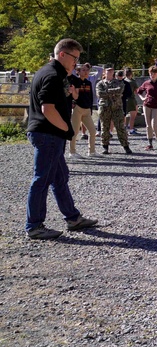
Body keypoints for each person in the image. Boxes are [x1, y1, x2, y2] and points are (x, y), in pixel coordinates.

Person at [24, 40, 100, 239]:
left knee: (59, 178)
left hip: (49, 134)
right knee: (41, 179)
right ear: (63, 55)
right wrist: (67, 129)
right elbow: (47, 108)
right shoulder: (52, 75)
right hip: (48, 134)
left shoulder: (52, 73)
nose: (77, 63)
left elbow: (52, 99)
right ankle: (34, 226)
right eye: (75, 58)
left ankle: (73, 218)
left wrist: (70, 93)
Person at [96, 68, 131, 154]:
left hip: (117, 108)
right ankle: (105, 147)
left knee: (120, 127)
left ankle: (126, 146)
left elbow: (120, 90)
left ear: (113, 73)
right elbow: (100, 94)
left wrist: (107, 91)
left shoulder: (119, 82)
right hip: (104, 108)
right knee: (105, 128)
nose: (109, 73)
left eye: (111, 72)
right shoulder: (100, 83)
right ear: (104, 73)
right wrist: (113, 92)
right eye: (108, 72)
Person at [136, 66, 157, 152]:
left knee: (155, 125)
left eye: (154, 73)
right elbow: (139, 91)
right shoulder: (146, 83)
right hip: (147, 105)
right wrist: (143, 98)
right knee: (148, 125)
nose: (152, 75)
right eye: (151, 73)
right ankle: (150, 143)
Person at [67, 63, 96, 159]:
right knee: (75, 132)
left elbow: (91, 97)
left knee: (92, 131)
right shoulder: (76, 82)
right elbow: (75, 96)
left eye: (87, 70)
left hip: (87, 109)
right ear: (78, 72)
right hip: (77, 108)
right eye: (83, 70)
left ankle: (91, 151)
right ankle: (72, 152)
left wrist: (91, 109)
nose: (86, 72)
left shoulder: (89, 83)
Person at [123, 67, 140, 135]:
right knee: (133, 115)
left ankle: (124, 128)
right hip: (131, 99)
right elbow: (136, 91)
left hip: (124, 99)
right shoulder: (132, 81)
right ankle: (131, 129)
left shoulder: (123, 81)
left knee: (124, 114)